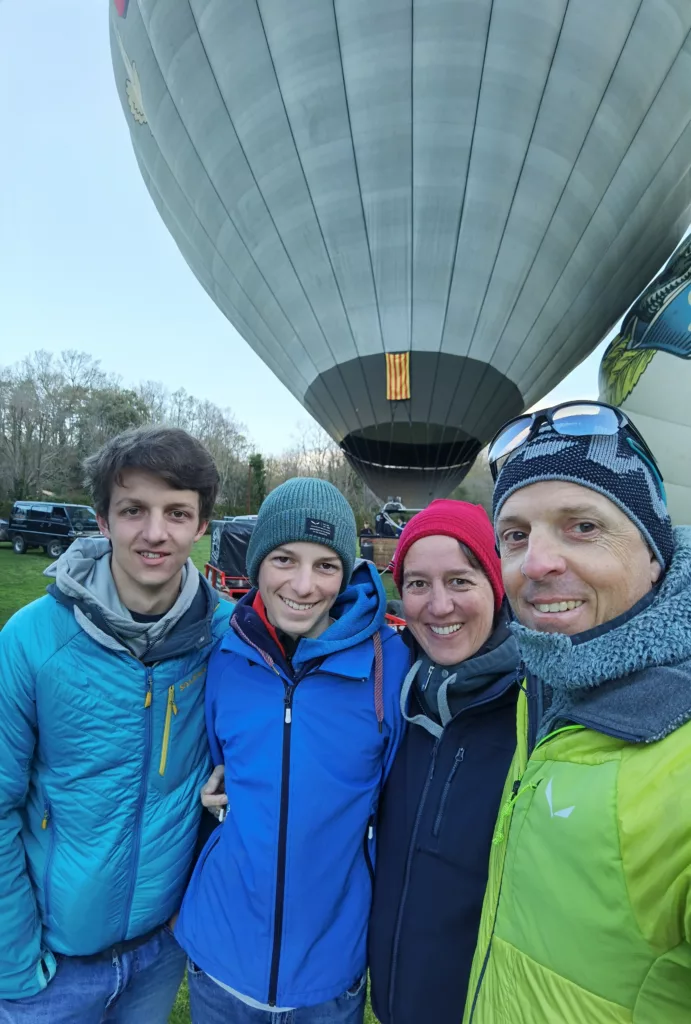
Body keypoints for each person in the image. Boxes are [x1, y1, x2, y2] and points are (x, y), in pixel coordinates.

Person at [464, 401, 691, 1023]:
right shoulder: (542, 688)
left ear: (653, 551)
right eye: (515, 535)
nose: (536, 563)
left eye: (582, 527)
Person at [0, 426, 229, 1023]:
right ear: (102, 520)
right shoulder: (31, 640)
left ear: (202, 526)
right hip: (50, 968)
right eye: (134, 511)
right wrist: (15, 962)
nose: (155, 533)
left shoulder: (228, 638)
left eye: (177, 513)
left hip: (160, 954)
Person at [174, 478, 409, 1024]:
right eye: (284, 559)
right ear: (257, 563)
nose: (304, 586)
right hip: (219, 960)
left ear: (346, 572)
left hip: (327, 975)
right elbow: (218, 766)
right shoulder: (225, 656)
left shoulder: (390, 666)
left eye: (325, 565)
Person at [369, 500, 532, 1024]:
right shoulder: (393, 695)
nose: (439, 606)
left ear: (496, 586)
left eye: (460, 581)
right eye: (417, 584)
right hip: (395, 996)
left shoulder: (538, 710)